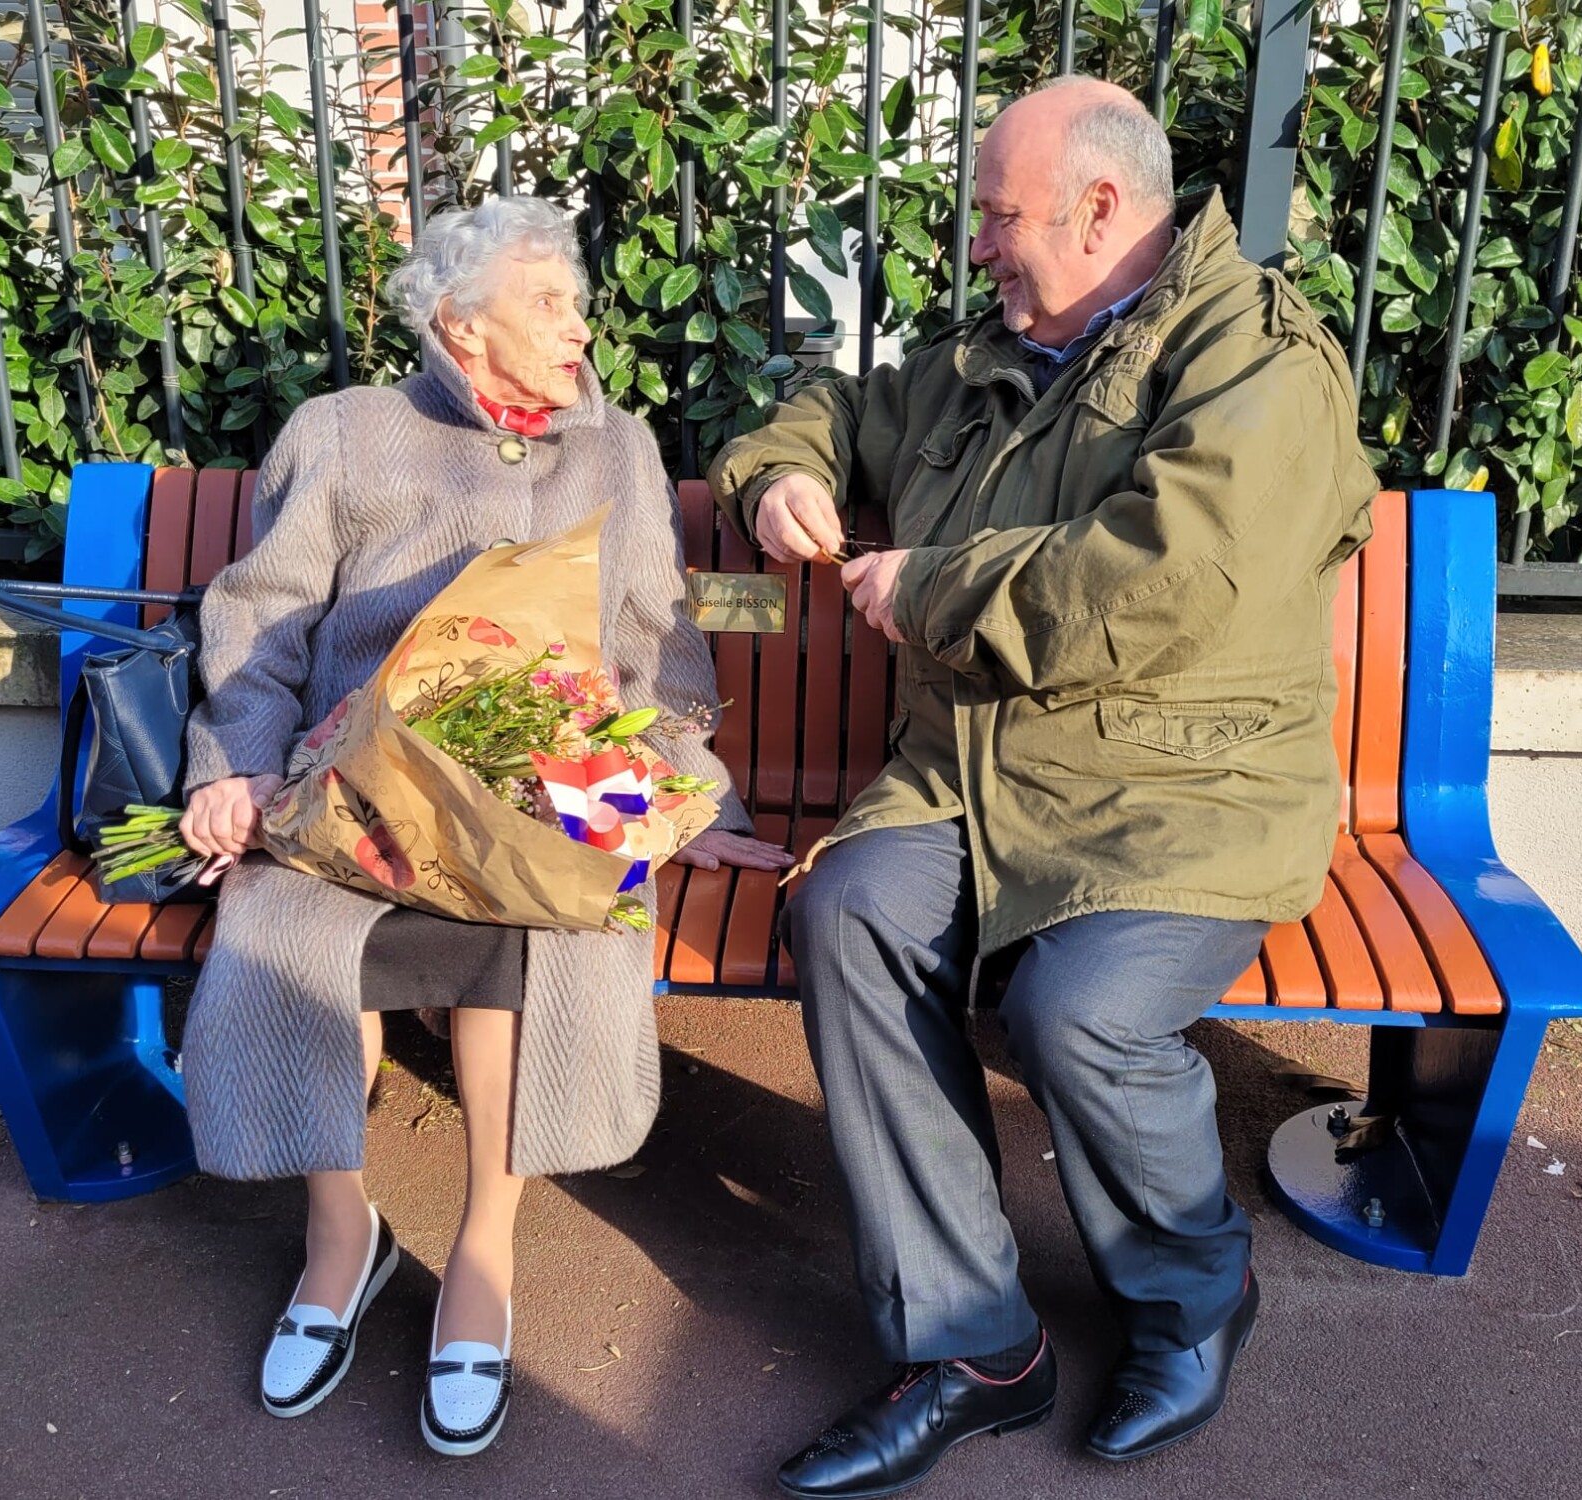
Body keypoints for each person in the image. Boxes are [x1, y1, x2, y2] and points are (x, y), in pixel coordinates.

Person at [708, 77, 1377, 1498]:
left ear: (1100, 206)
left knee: (1079, 1013)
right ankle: (972, 1346)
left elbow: (1172, 574)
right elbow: (834, 404)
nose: (980, 245)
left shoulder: (1258, 360)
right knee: (852, 915)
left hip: (1180, 790)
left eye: (1001, 216)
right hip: (967, 776)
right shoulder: (990, 353)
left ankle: (1192, 1298)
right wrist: (779, 475)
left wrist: (935, 583)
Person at [175, 197, 791, 1457]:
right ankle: (340, 1239)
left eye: (575, 299)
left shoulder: (614, 448)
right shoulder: (345, 435)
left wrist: (675, 786)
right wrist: (232, 767)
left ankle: (482, 1253)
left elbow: (656, 640)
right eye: (548, 302)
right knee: (290, 928)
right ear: (460, 324)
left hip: (547, 796)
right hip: (353, 792)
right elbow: (261, 618)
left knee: (548, 928)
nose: (579, 325)